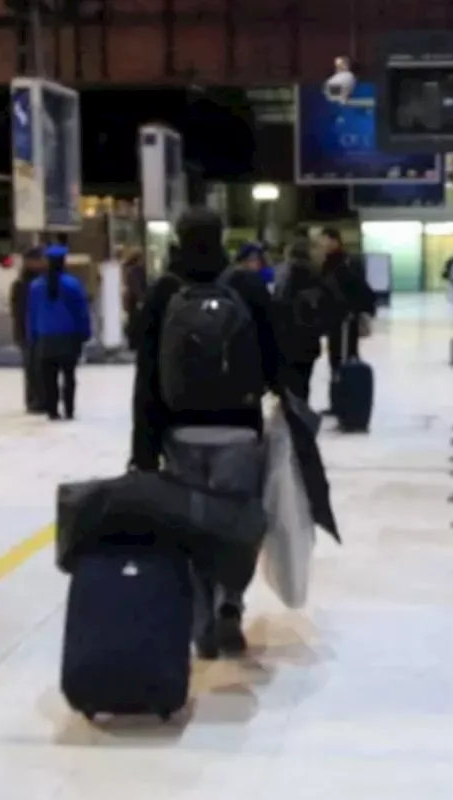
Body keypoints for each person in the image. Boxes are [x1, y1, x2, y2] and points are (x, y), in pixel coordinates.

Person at [130, 206, 283, 659]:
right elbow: (279, 353)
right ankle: (230, 604)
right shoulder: (246, 285)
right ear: (222, 238)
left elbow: (147, 376)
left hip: (180, 431)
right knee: (235, 524)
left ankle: (201, 621)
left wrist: (144, 449)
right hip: (238, 429)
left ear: (178, 238)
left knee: (192, 528)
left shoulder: (164, 291)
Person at [27, 247, 91, 421]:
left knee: (49, 377)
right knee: (69, 375)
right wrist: (85, 332)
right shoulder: (72, 285)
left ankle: (52, 410)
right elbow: (81, 311)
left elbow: (31, 314)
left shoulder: (35, 286)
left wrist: (32, 336)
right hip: (69, 337)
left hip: (45, 338)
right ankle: (69, 409)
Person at [274, 238, 330, 405]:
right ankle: (300, 418)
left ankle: (292, 416)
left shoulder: (283, 273)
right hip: (307, 337)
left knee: (291, 383)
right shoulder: (313, 273)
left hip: (286, 336)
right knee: (303, 382)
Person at [319, 227, 375, 385]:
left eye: (325, 240)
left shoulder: (346, 262)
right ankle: (340, 393)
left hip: (346, 317)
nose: (323, 244)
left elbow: (358, 287)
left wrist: (358, 310)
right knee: (336, 354)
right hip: (334, 317)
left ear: (335, 241)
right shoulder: (326, 262)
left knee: (346, 353)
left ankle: (348, 393)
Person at [10, 248, 47, 413]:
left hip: (43, 330)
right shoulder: (22, 285)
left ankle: (43, 398)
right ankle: (34, 400)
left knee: (43, 367)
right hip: (28, 332)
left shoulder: (46, 281)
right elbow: (17, 311)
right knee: (32, 367)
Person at [120, 248, 149, 351]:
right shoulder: (137, 270)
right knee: (136, 321)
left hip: (130, 300)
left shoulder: (127, 270)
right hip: (135, 300)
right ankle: (135, 342)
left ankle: (132, 342)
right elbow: (137, 286)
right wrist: (141, 299)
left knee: (132, 320)